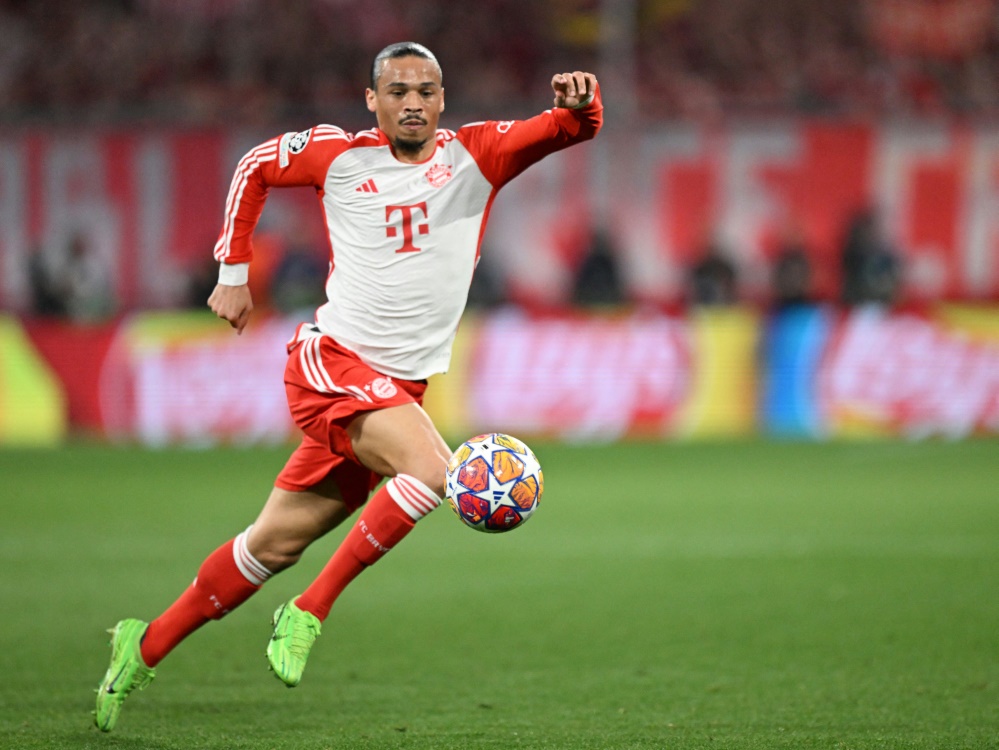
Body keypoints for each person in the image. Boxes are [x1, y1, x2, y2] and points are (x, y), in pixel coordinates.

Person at [94, 41, 602, 732]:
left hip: (395, 393)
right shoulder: (337, 155)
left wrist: (580, 105)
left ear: (443, 99)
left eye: (426, 90)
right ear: (372, 100)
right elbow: (253, 168)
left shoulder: (477, 155)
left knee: (269, 546)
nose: (413, 103)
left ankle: (142, 644)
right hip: (331, 365)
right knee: (432, 470)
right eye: (397, 91)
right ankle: (310, 610)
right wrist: (234, 272)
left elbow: (569, 127)